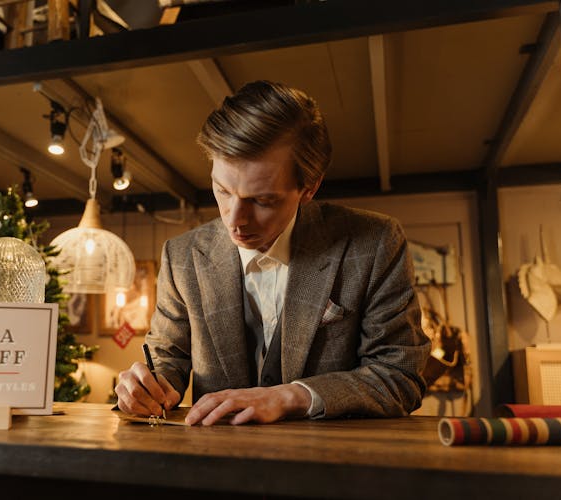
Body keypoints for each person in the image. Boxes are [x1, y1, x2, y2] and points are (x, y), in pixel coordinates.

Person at [115, 80, 431, 425]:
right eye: (222, 190)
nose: (234, 220)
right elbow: (168, 360)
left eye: (262, 200)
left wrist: (291, 395)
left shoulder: (374, 243)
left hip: (330, 467)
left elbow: (400, 377)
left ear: (309, 188)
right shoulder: (181, 256)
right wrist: (148, 386)